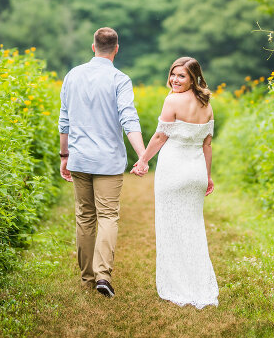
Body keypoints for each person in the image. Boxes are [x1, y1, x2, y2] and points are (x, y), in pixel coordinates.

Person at [58, 27, 146, 298]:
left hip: (80, 158)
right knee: (108, 215)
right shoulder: (120, 79)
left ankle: (87, 279)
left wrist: (64, 156)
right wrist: (142, 156)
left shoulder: (72, 75)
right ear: (116, 49)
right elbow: (128, 119)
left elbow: (64, 119)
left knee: (85, 217)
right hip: (108, 160)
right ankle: (103, 275)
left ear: (93, 47)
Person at [131, 57, 219, 309]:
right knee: (193, 229)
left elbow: (160, 136)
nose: (175, 80)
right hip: (195, 173)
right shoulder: (207, 105)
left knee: (170, 228)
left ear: (193, 77)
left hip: (173, 171)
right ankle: (198, 284)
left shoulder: (172, 100)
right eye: (173, 75)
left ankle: (177, 286)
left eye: (181, 76)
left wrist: (143, 161)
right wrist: (207, 176)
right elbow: (207, 145)